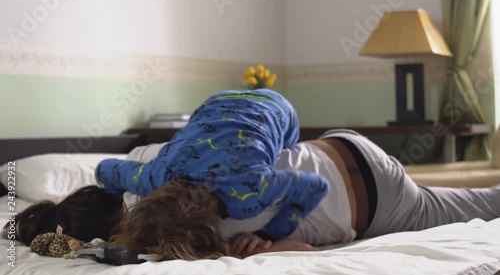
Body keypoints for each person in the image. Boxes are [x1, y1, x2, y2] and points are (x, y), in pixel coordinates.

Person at [3, 130, 500, 260]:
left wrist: (266, 245)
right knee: (476, 200)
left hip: (376, 204)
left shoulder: (170, 236)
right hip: (338, 147)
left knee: (484, 203)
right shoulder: (147, 159)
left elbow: (301, 253)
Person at [95, 89, 330, 242]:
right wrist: (121, 195)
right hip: (219, 100)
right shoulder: (153, 178)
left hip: (278, 109)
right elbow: (103, 169)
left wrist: (268, 235)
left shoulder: (248, 196)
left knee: (287, 149)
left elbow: (318, 187)